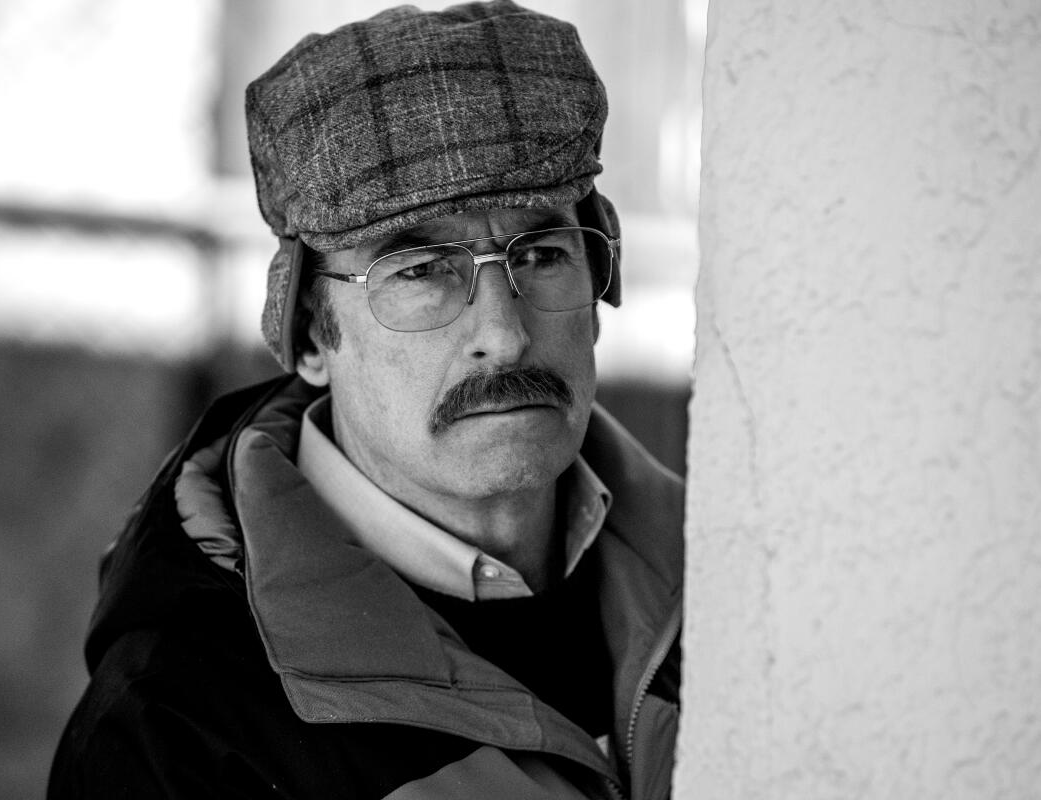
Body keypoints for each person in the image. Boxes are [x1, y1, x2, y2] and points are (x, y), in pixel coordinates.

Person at [48, 2, 684, 798]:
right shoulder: (183, 727)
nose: (505, 335)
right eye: (420, 271)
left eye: (544, 252)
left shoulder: (728, 575)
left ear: (599, 291)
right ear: (312, 337)